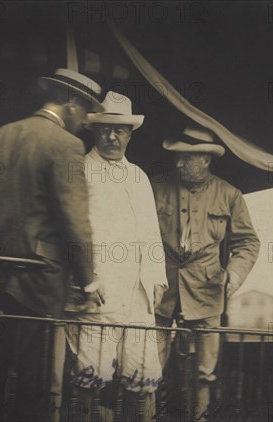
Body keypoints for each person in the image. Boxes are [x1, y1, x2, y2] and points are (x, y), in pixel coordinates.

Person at [0, 68, 104, 421]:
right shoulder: (65, 145)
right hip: (36, 284)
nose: (87, 123)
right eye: (87, 111)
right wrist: (88, 280)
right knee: (34, 385)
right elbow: (75, 222)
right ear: (72, 104)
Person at [52, 92, 168, 422]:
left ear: (130, 134)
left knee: (142, 380)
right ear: (94, 130)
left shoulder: (139, 177)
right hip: (98, 294)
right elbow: (69, 229)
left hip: (138, 295)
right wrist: (85, 278)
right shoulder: (81, 171)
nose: (112, 136)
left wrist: (157, 278)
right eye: (105, 129)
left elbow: (151, 234)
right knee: (90, 377)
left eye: (120, 130)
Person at [152, 123, 260, 419]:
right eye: (177, 156)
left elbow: (248, 242)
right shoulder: (155, 186)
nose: (179, 162)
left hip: (207, 290)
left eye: (187, 157)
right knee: (150, 366)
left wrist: (234, 275)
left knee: (204, 373)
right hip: (160, 290)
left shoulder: (229, 195)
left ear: (207, 160)